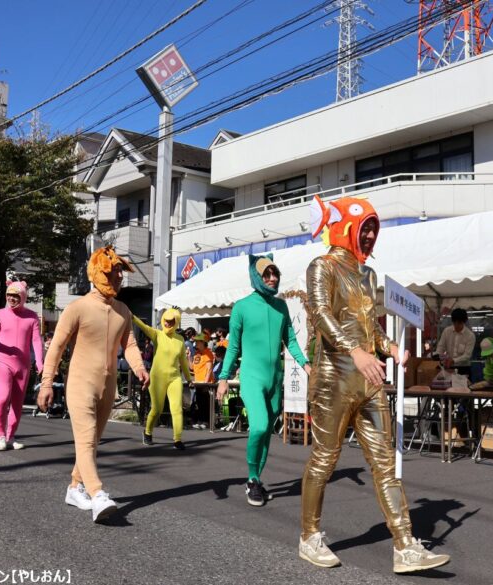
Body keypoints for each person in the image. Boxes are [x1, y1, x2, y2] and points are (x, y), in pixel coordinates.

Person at [299, 195, 449, 574]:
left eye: (373, 229)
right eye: (364, 228)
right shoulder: (322, 265)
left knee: (385, 463)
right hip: (334, 378)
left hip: (369, 380)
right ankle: (309, 536)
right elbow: (320, 314)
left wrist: (388, 346)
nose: (369, 236)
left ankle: (405, 545)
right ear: (346, 228)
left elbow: (371, 324)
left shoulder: (366, 275)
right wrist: (356, 351)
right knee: (324, 459)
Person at [37, 246, 149, 523]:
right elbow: (56, 348)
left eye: (121, 274)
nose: (119, 278)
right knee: (86, 441)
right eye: (114, 273)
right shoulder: (78, 308)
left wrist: (139, 367)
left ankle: (74, 488)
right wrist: (46, 383)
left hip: (108, 387)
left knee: (92, 442)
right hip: (80, 383)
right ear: (99, 273)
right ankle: (97, 494)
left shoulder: (123, 310)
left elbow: (130, 344)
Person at [216, 254, 310, 507]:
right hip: (252, 377)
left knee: (267, 432)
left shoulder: (281, 307)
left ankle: (257, 479)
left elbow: (290, 340)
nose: (272, 278)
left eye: (274, 273)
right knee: (258, 426)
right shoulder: (242, 307)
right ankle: (251, 479)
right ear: (256, 276)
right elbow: (233, 347)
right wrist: (223, 378)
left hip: (275, 379)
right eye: (266, 274)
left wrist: (306, 365)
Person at [0, 281, 44, 450]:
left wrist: (40, 363)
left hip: (23, 365)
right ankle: (1, 436)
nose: (11, 298)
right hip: (2, 361)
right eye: (9, 295)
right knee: (3, 398)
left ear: (23, 297)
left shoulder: (32, 316)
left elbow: (36, 341)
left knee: (18, 403)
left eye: (16, 296)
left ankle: (11, 436)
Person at [133, 308, 192, 449]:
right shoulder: (157, 334)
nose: (168, 323)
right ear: (163, 319)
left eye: (172, 321)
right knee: (157, 409)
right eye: (166, 320)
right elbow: (144, 327)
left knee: (177, 409)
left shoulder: (180, 340)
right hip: (157, 377)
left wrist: (189, 378)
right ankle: (147, 432)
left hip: (175, 378)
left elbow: (183, 361)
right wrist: (132, 316)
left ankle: (177, 439)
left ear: (176, 322)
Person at [436, 308, 475, 378]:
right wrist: (439, 358)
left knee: (463, 388)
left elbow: (467, 355)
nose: (456, 325)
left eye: (459, 323)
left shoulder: (470, 336)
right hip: (448, 368)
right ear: (452, 321)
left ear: (464, 322)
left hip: (463, 369)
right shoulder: (447, 331)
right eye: (454, 323)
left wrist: (453, 360)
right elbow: (441, 347)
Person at [190, 333, 214, 429]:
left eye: (197, 341)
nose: (196, 343)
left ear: (203, 342)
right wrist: (188, 357)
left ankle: (206, 422)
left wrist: (205, 383)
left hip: (205, 383)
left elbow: (209, 369)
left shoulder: (208, 353)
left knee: (205, 402)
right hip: (198, 382)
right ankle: (200, 421)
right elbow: (192, 367)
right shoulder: (197, 354)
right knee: (199, 402)